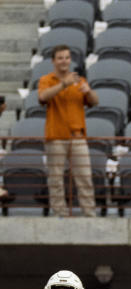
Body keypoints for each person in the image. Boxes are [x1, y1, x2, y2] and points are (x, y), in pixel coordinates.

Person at [37, 45, 98, 217]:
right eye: (60, 58)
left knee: (85, 177)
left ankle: (89, 214)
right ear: (53, 61)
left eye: (67, 57)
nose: (64, 61)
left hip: (78, 136)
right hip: (56, 136)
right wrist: (64, 84)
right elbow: (42, 97)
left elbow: (94, 102)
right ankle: (60, 214)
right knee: (55, 179)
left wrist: (89, 91)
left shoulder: (80, 80)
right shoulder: (46, 80)